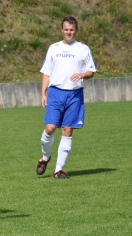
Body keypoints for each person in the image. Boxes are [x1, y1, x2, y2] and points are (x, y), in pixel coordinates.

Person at [36, 16, 97, 179]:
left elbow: (92, 71)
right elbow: (46, 72)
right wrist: (43, 93)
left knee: (67, 130)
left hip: (75, 94)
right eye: (66, 29)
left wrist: (83, 74)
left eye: (72, 29)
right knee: (50, 128)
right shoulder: (53, 48)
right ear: (61, 30)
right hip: (55, 93)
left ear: (76, 31)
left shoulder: (83, 49)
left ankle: (58, 170)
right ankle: (45, 157)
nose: (69, 32)